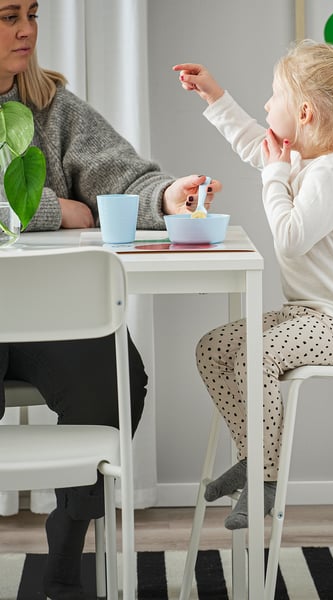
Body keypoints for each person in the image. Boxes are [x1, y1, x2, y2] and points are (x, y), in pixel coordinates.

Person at [0, 2, 221, 598]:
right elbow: (42, 210)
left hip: (47, 320)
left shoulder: (53, 106)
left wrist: (170, 195)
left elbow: (125, 179)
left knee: (120, 375)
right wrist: (57, 209)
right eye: (5, 15)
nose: (25, 30)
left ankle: (69, 533)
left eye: (30, 13)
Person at [173, 38, 333, 530]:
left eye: (274, 96)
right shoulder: (304, 156)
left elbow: (291, 239)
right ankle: (257, 458)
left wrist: (273, 177)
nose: (267, 105)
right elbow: (259, 144)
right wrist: (216, 98)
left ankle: (266, 480)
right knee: (213, 349)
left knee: (258, 354)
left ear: (306, 113)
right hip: (312, 314)